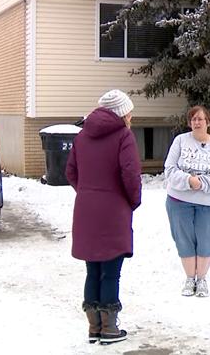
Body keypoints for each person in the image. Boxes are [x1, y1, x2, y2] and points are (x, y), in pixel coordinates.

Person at [66, 89, 141, 345]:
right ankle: (109, 329)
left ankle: (94, 327)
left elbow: (71, 172)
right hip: (113, 210)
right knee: (111, 272)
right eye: (130, 112)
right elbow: (130, 174)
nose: (131, 116)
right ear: (122, 113)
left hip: (86, 210)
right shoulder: (123, 136)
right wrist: (132, 201)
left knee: (92, 270)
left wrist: (87, 192)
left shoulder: (82, 136)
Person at [164, 105, 210, 297]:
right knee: (184, 239)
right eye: (193, 119)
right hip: (179, 200)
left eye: (200, 119)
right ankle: (189, 278)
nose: (197, 122)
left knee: (205, 240)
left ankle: (201, 279)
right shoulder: (180, 141)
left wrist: (201, 182)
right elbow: (169, 169)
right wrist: (187, 181)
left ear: (208, 122)